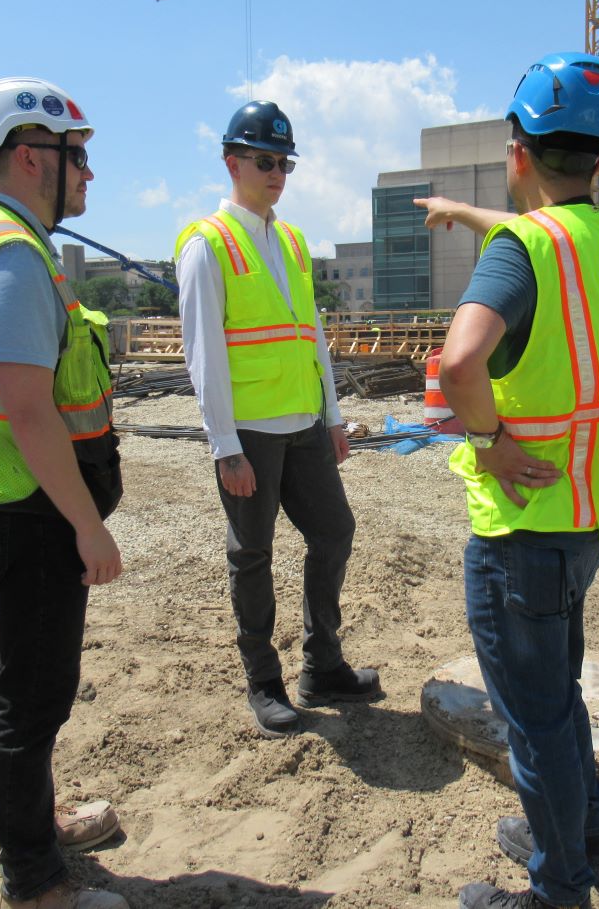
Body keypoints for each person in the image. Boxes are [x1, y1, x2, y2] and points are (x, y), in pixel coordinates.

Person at [437, 52, 599, 909]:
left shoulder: (521, 251)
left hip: (523, 527)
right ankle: (586, 846)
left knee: (536, 722)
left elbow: (457, 364)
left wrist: (487, 440)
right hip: (593, 516)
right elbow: (556, 232)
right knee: (558, 697)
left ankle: (558, 888)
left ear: (516, 149)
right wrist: (473, 213)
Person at [0, 77, 127, 909]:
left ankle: (37, 823)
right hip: (30, 510)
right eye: (75, 157)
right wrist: (89, 528)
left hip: (15, 502)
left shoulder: (14, 243)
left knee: (15, 677)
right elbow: (27, 408)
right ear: (29, 157)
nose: (87, 174)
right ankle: (35, 882)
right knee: (33, 693)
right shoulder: (11, 257)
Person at [175, 100, 381, 740]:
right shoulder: (206, 244)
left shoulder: (289, 239)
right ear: (232, 161)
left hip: (303, 425)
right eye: (265, 161)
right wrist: (224, 445)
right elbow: (202, 352)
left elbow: (311, 332)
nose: (277, 174)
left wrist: (334, 414)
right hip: (252, 435)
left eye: (284, 163)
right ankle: (264, 682)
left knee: (334, 531)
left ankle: (322, 664)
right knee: (252, 554)